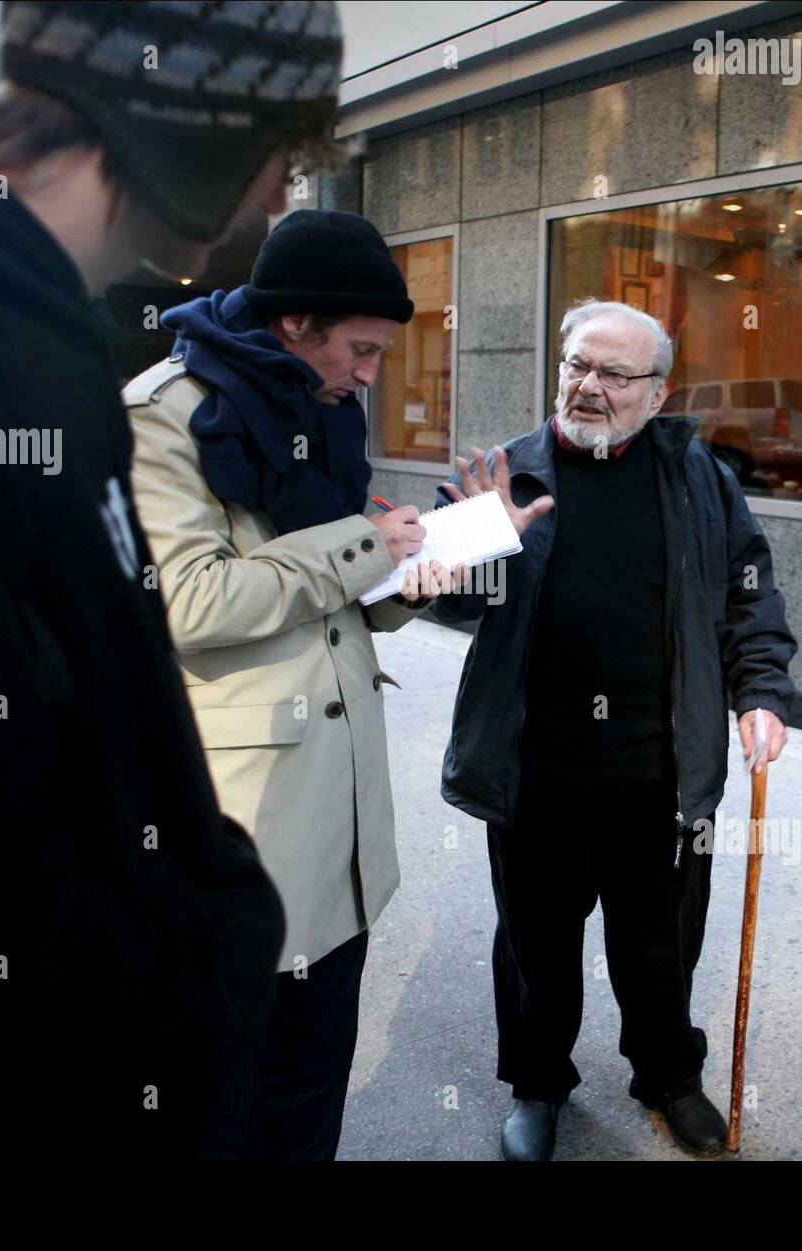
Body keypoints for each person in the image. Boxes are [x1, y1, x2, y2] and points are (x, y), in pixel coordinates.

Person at [0, 0, 347, 1167]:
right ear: (194, 121)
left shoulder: (34, 334)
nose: (282, 198)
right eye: (285, 151)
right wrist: (198, 962)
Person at [124, 208, 546, 1159]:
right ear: (293, 325)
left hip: (342, 829)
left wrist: (418, 573)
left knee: (312, 1098)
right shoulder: (165, 417)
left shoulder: (325, 411)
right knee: (222, 1110)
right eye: (360, 350)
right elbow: (190, 601)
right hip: (243, 834)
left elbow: (338, 599)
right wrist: (366, 545)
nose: (370, 374)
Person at [428, 298, 798, 1161]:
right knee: (535, 947)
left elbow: (750, 596)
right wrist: (464, 550)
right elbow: (442, 596)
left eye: (613, 373)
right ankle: (537, 1083)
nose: (588, 387)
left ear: (658, 394)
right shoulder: (509, 474)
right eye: (576, 366)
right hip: (536, 769)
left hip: (662, 771)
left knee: (661, 946)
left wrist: (763, 693)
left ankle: (668, 1073)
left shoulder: (700, 480)